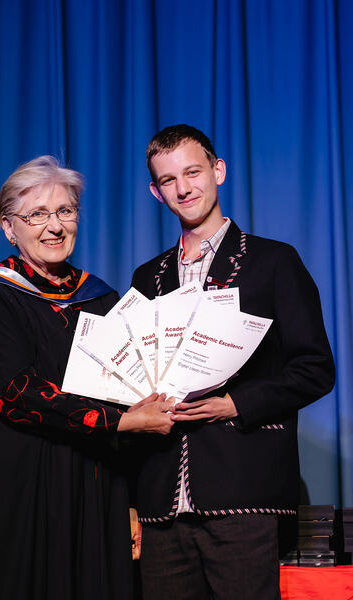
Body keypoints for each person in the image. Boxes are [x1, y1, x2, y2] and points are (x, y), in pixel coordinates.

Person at [0, 156, 174, 600]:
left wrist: (132, 503)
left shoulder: (102, 299)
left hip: (94, 494)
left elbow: (124, 393)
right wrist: (124, 422)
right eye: (37, 215)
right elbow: (17, 394)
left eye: (65, 211)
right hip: (15, 499)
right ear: (9, 228)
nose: (54, 226)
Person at [130, 125, 335, 600]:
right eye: (168, 180)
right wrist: (131, 501)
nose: (183, 188)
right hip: (161, 505)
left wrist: (236, 404)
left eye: (192, 172)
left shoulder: (274, 262)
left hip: (243, 496)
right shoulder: (147, 278)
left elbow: (315, 369)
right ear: (156, 192)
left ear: (218, 171)